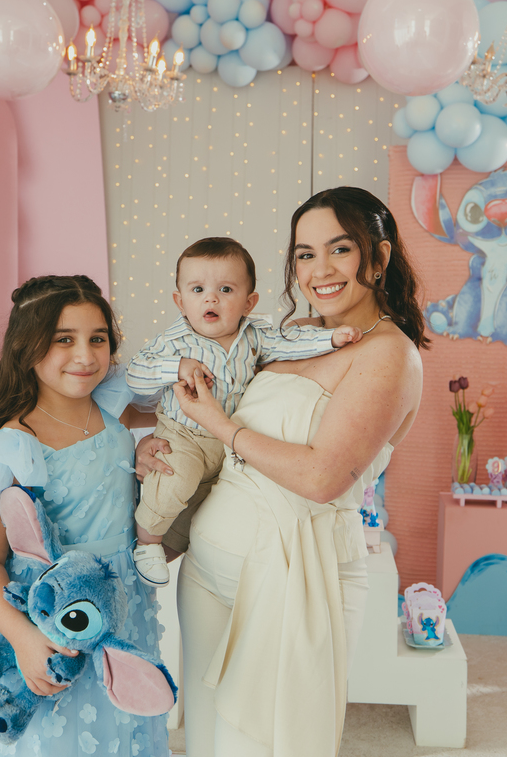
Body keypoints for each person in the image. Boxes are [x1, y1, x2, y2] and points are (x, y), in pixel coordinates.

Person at [139, 187, 429, 757]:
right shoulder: (290, 336)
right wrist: (155, 436)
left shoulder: (388, 354)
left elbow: (323, 477)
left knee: (256, 747)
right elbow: (207, 406)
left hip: (296, 577)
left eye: (340, 249)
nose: (320, 270)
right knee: (204, 744)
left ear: (379, 256)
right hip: (207, 569)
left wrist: (219, 425)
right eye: (304, 254)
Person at [0, 275, 170, 757]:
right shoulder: (19, 444)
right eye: (64, 340)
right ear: (28, 347)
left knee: (118, 734)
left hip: (121, 607)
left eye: (98, 339)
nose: (85, 355)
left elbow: (185, 401)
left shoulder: (114, 408)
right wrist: (24, 639)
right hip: (46, 619)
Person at [125, 237, 362, 588]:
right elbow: (135, 372)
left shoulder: (255, 336)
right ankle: (147, 544)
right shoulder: (174, 342)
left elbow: (290, 344)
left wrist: (330, 339)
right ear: (180, 301)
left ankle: (172, 545)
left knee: (202, 504)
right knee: (175, 481)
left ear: (249, 302)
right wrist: (176, 367)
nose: (211, 299)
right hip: (184, 434)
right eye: (198, 289)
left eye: (225, 289)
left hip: (226, 444)